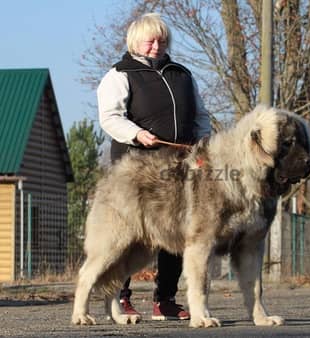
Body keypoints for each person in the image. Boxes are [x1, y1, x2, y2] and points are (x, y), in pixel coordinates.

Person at [97, 13, 211, 321]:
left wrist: (203, 145)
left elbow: (201, 116)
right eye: (151, 40)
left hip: (178, 168)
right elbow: (110, 117)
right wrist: (135, 133)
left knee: (175, 232)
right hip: (136, 168)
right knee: (130, 234)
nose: (157, 46)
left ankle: (166, 300)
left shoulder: (183, 74)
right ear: (136, 41)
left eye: (162, 40)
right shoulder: (120, 74)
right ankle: (119, 298)